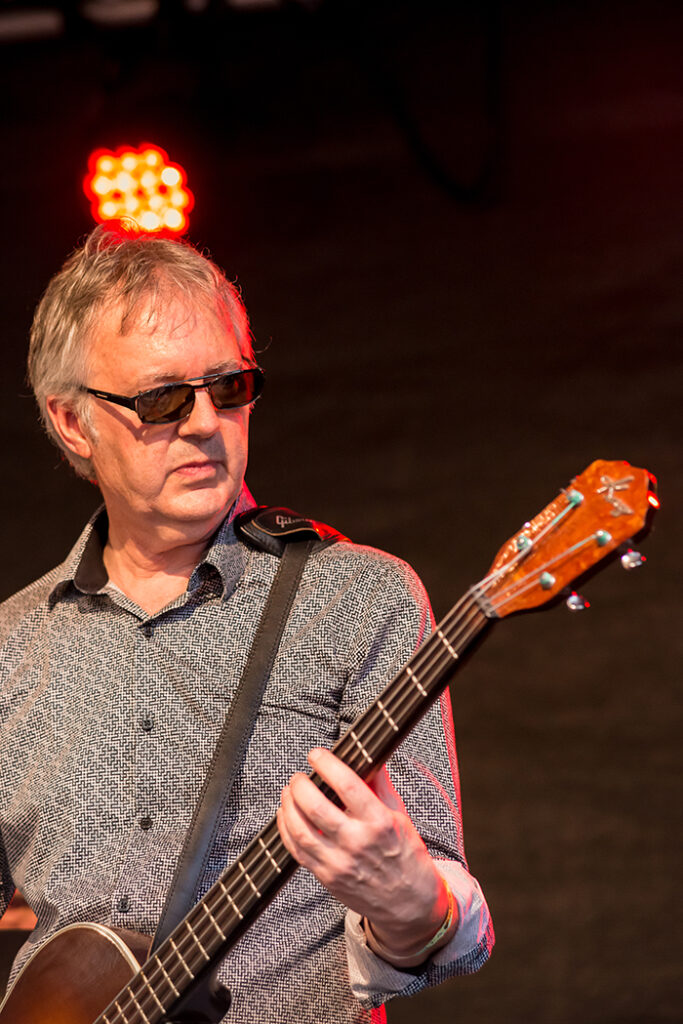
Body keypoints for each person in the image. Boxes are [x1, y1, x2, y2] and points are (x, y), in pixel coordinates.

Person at [0, 224, 493, 1023]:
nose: (204, 422)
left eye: (228, 388)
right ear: (72, 422)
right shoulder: (10, 647)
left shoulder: (356, 599)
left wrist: (411, 902)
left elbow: (448, 934)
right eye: (162, 398)